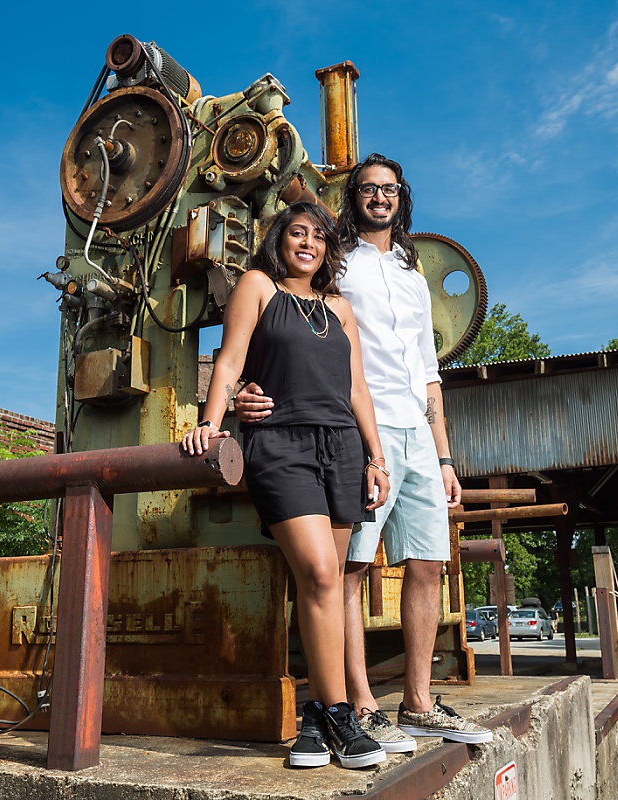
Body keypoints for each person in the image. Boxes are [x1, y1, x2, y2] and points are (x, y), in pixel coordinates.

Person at [236, 154, 492, 749]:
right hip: (355, 431)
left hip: (416, 435)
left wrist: (446, 458)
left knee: (428, 564)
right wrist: (249, 391)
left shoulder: (413, 271)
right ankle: (360, 703)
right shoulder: (335, 261)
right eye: (368, 189)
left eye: (390, 189)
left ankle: (420, 702)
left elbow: (429, 371)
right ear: (352, 198)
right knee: (349, 570)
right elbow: (290, 335)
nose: (380, 197)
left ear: (402, 197)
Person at [182, 201, 391, 769]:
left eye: (319, 237)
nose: (309, 243)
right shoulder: (257, 286)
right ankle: (341, 713)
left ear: (328, 249)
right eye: (297, 233)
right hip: (281, 445)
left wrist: (376, 457)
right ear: (279, 240)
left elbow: (358, 391)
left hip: (343, 449)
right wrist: (212, 421)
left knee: (326, 585)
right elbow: (229, 361)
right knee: (319, 572)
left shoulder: (340, 308)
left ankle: (318, 720)